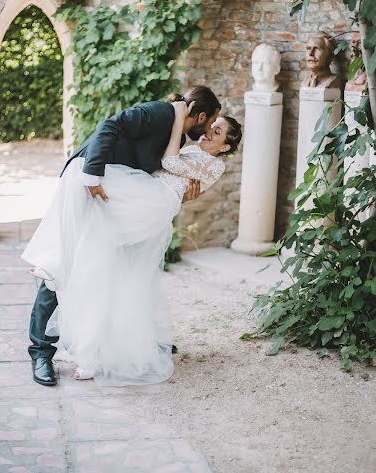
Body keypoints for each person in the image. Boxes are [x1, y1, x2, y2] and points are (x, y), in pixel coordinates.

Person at [23, 97, 242, 386]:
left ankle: (115, 345)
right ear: (200, 115)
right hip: (114, 185)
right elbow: (111, 127)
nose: (207, 131)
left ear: (225, 145)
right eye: (211, 124)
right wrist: (92, 173)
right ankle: (42, 350)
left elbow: (169, 167)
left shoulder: (196, 149)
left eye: (216, 131)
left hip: (138, 202)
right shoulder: (163, 114)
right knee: (78, 247)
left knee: (119, 274)